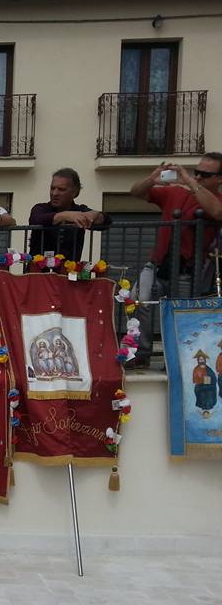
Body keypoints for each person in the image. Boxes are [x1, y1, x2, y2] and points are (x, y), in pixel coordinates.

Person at [128, 153, 222, 368]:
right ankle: (141, 353)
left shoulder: (215, 199)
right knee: (139, 299)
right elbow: (135, 192)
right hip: (158, 264)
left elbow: (217, 212)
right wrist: (152, 178)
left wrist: (188, 180)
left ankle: (177, 360)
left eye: (205, 174)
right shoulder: (175, 192)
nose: (198, 176)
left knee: (181, 313)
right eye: (197, 172)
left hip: (187, 270)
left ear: (219, 179)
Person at [28, 168, 110, 260]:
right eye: (52, 188)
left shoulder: (79, 210)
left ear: (75, 193)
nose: (54, 193)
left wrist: (94, 214)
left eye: (61, 189)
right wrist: (65, 215)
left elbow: (106, 221)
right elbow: (35, 219)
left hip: (70, 267)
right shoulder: (41, 208)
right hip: (39, 267)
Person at [192, 350, 217, 416]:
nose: (201, 360)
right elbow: (195, 380)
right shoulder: (196, 369)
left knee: (209, 393)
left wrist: (211, 380)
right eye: (200, 359)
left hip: (209, 386)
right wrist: (202, 381)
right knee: (202, 394)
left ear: (204, 360)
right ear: (198, 360)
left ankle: (209, 408)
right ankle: (203, 408)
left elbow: (213, 376)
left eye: (202, 359)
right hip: (200, 387)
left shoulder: (208, 368)